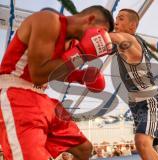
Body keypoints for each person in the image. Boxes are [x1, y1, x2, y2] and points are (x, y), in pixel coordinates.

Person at [0, 5, 114, 160]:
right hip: (15, 94)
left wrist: (80, 76)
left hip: (41, 98)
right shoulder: (48, 20)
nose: (100, 38)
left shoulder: (72, 44)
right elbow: (38, 76)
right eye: (101, 31)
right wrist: (80, 54)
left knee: (84, 149)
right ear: (90, 19)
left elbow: (52, 72)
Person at [109, 9, 158, 160]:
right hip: (138, 104)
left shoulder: (128, 40)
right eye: (116, 18)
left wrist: (87, 30)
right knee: (156, 148)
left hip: (150, 101)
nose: (116, 21)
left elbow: (111, 38)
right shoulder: (128, 41)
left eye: (121, 18)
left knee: (142, 143)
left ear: (132, 26)